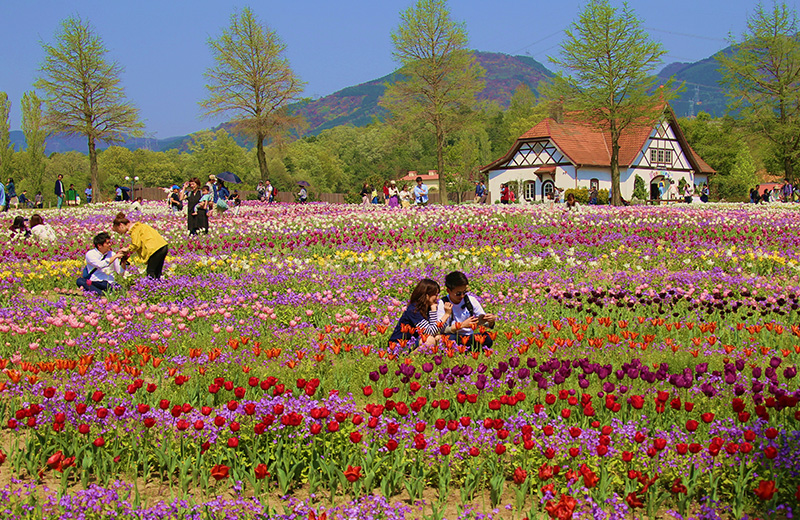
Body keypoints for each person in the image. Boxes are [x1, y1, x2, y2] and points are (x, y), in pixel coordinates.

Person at [388, 278, 452, 351]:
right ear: (426, 295)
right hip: (398, 346)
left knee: (438, 338)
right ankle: (410, 360)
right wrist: (446, 315)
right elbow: (430, 332)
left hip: (413, 342)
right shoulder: (413, 310)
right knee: (429, 340)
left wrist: (433, 310)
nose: (437, 298)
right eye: (435, 295)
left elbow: (433, 331)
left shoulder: (427, 308)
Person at [437, 271, 495, 350]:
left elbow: (483, 322)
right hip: (453, 336)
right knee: (446, 339)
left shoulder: (470, 300)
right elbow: (442, 329)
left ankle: (466, 348)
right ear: (448, 291)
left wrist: (491, 321)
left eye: (464, 292)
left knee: (487, 337)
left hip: (470, 337)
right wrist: (462, 325)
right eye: (458, 293)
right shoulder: (442, 304)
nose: (462, 296)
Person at [112, 213, 169, 279]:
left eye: (118, 231)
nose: (120, 233)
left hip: (154, 249)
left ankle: (152, 287)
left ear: (121, 225)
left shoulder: (134, 230)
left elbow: (136, 244)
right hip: (163, 246)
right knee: (157, 271)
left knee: (151, 272)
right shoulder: (140, 226)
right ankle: (159, 284)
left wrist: (127, 249)